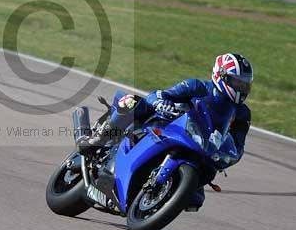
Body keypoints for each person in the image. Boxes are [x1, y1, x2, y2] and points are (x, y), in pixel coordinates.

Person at [77, 53, 254, 210]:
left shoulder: (242, 113)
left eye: (245, 85)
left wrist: (229, 156)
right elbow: (159, 94)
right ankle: (97, 139)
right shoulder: (197, 87)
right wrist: (161, 102)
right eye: (237, 82)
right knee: (132, 102)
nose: (241, 88)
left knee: (195, 196)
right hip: (169, 125)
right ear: (220, 75)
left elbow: (238, 145)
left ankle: (167, 192)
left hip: (202, 147)